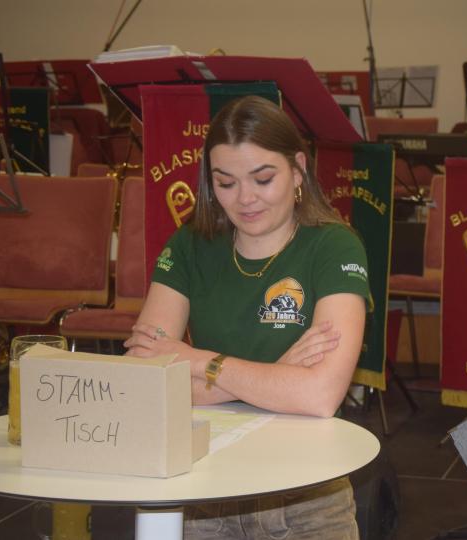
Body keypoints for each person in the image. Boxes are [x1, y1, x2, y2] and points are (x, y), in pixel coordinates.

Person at [124, 95, 367, 539]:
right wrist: (277, 377)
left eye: (263, 178)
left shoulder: (334, 247)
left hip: (305, 494)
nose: (245, 199)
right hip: (204, 488)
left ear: (298, 169)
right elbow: (145, 385)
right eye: (226, 182)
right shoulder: (189, 246)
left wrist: (198, 362)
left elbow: (319, 395)